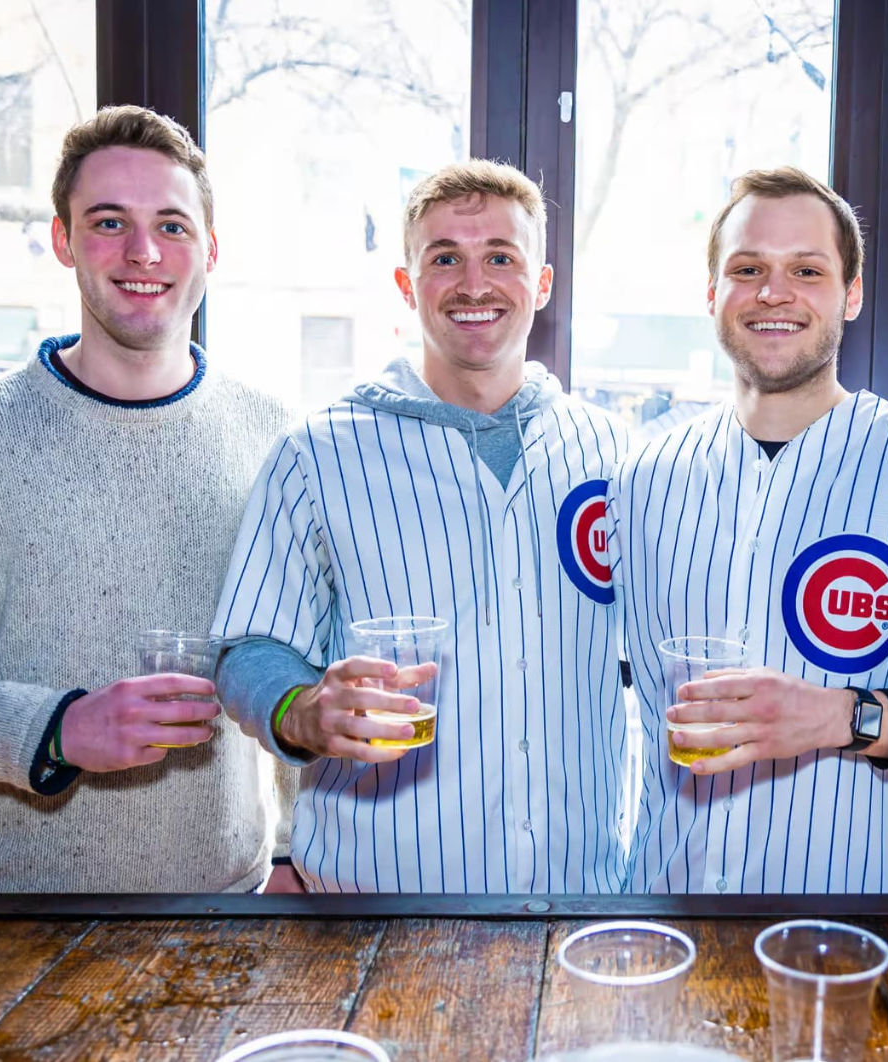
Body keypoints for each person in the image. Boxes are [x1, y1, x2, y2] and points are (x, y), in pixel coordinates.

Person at [0, 106, 291, 892]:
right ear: (63, 241)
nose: (144, 252)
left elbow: (300, 659)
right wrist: (58, 728)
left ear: (212, 249)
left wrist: (292, 853)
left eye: (173, 226)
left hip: (225, 910)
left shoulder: (276, 440)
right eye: (110, 222)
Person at [609, 167, 888, 894]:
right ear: (712, 294)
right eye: (748, 270)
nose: (774, 293)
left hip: (856, 921)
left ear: (852, 294)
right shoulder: (641, 477)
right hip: (666, 903)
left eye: (807, 270)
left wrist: (840, 716)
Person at [212, 159, 628, 893]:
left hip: (578, 893)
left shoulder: (612, 452)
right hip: (377, 898)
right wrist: (304, 710)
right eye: (445, 259)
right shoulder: (318, 452)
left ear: (542, 284)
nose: (474, 284)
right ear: (407, 287)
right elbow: (250, 650)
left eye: (501, 257)